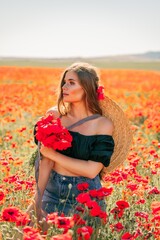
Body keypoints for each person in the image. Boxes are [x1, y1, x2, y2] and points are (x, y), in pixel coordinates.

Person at [27, 62, 132, 231]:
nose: (64, 87)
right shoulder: (54, 116)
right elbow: (45, 161)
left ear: (87, 88)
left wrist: (54, 155)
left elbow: (91, 170)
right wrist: (36, 201)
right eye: (64, 82)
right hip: (52, 193)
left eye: (71, 82)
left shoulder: (102, 124)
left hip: (86, 197)